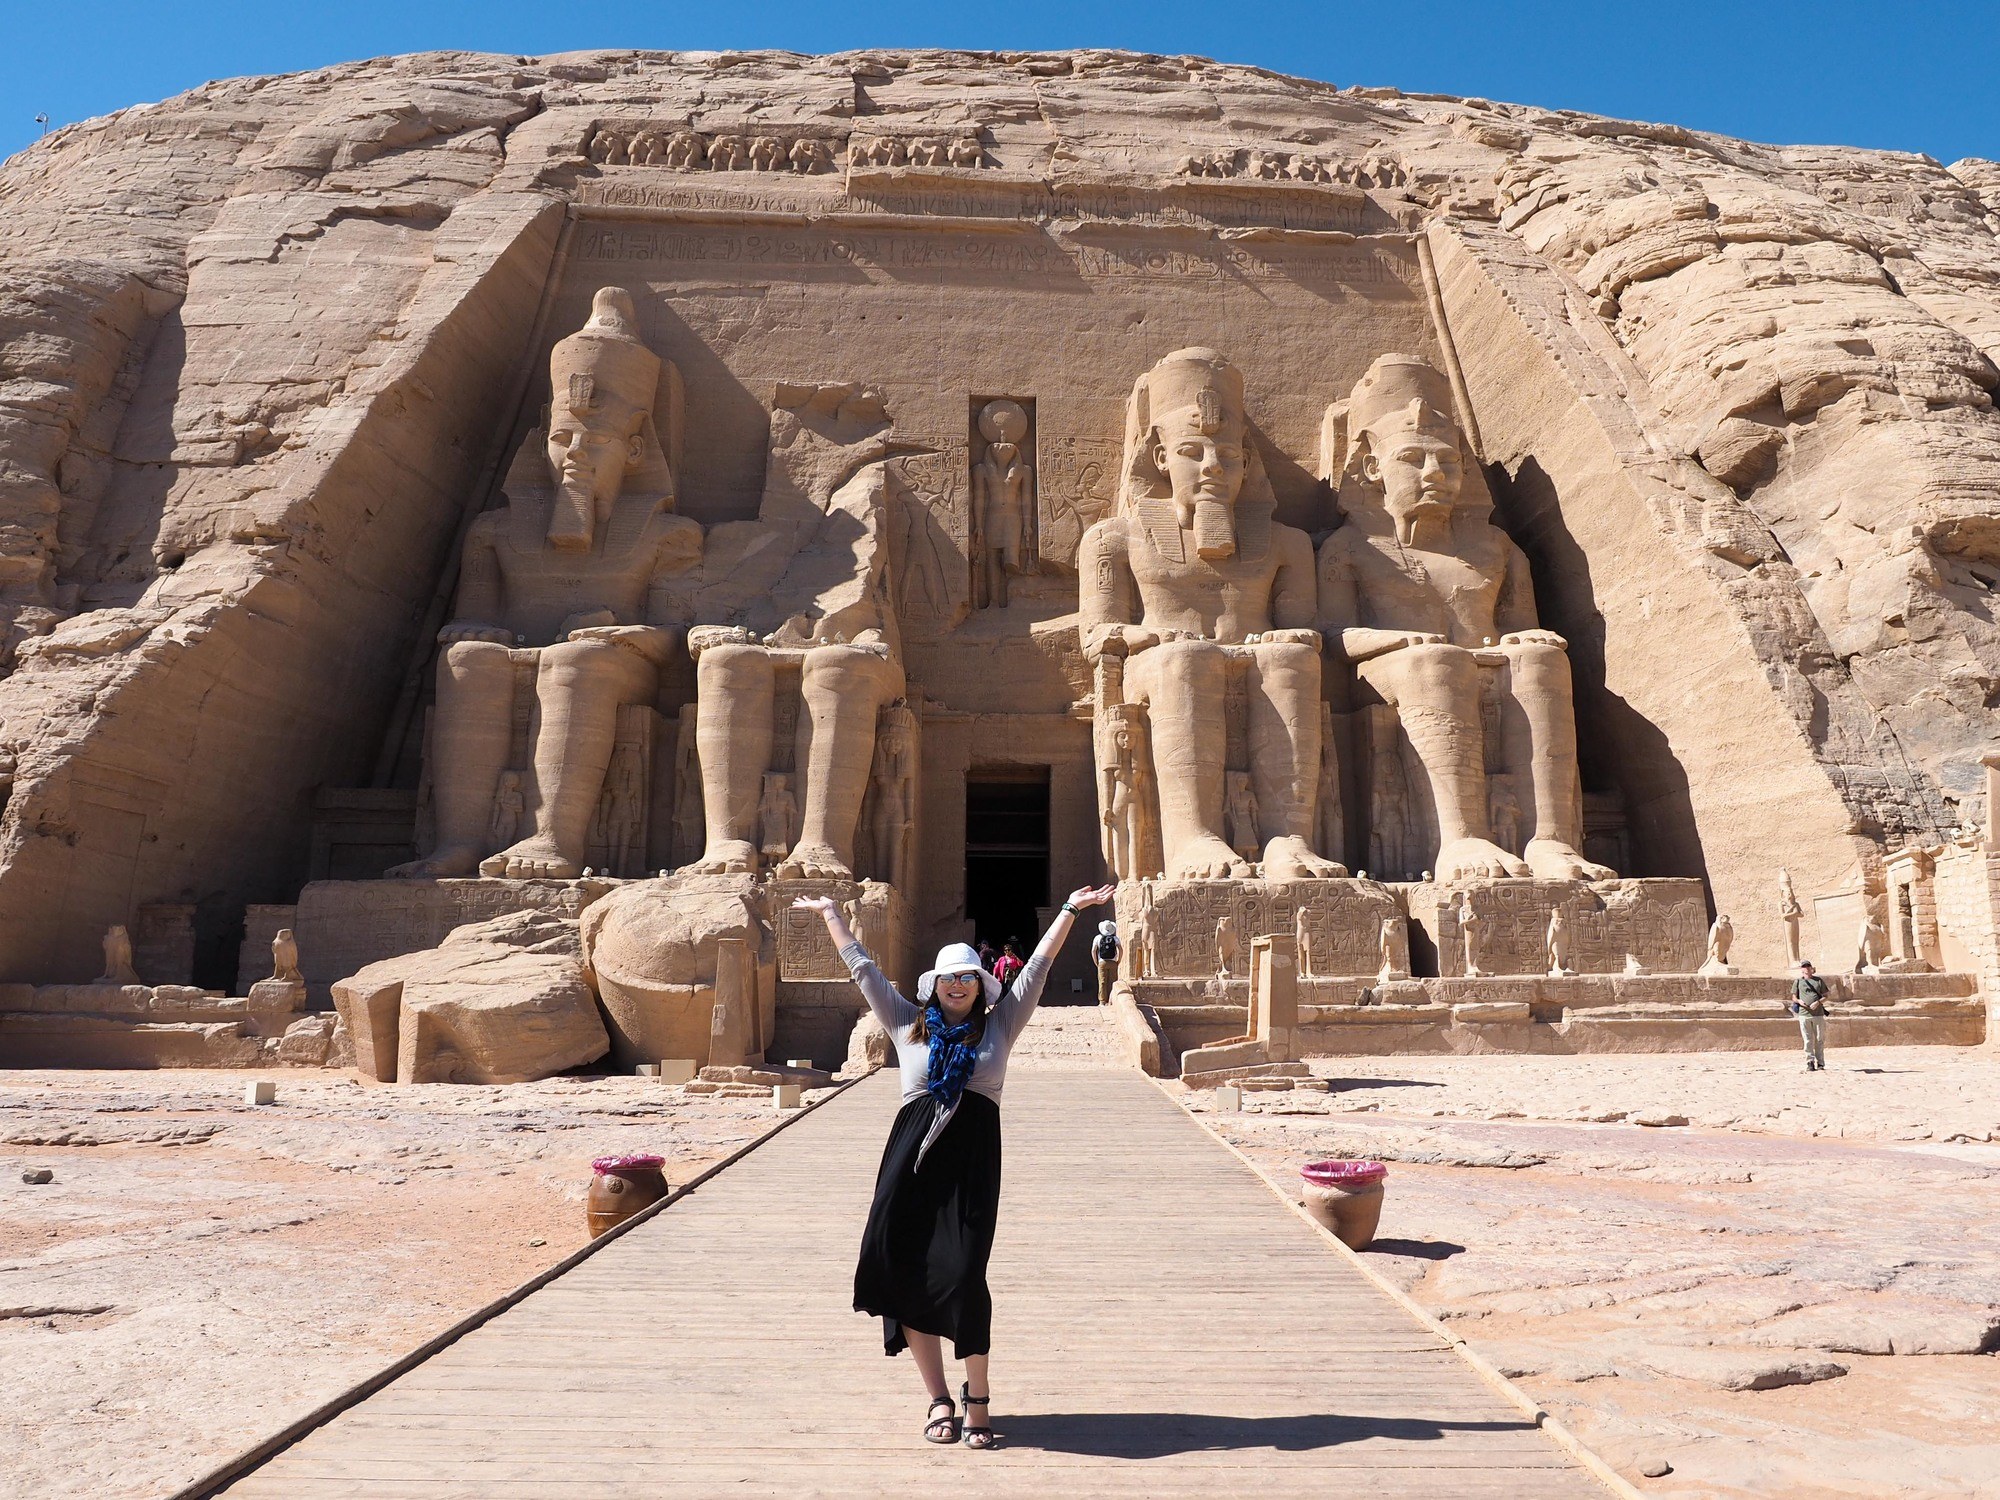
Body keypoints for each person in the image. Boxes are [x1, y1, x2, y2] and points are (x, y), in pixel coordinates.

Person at [796, 884, 1115, 1450]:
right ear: (934, 986)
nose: (959, 985)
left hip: (970, 1165)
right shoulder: (904, 1021)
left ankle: (979, 1399)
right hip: (910, 1164)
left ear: (982, 984)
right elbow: (863, 968)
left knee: (965, 1278)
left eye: (969, 976)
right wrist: (831, 915)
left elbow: (1038, 968)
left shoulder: (1000, 1025)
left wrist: (1069, 910)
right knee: (908, 1272)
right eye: (950, 977)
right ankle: (939, 1397)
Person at [1789, 960, 1831, 1071]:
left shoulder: (1818, 981)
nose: (1806, 968)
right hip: (1804, 1014)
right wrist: (1799, 1001)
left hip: (1818, 1014)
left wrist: (1818, 1002)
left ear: (1811, 968)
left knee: (1819, 1039)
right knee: (1807, 1039)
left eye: (1808, 966)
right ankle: (1810, 1062)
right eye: (1804, 966)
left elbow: (1826, 995)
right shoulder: (1798, 982)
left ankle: (1820, 1063)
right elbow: (1793, 997)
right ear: (1801, 969)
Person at [1090, 920, 1121, 1005]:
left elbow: (1093, 950)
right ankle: (1112, 1000)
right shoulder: (1115, 938)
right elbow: (1120, 949)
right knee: (1113, 981)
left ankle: (1102, 1001)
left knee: (1102, 981)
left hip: (1102, 962)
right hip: (1113, 961)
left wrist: (1096, 962)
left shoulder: (1098, 938)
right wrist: (1119, 960)